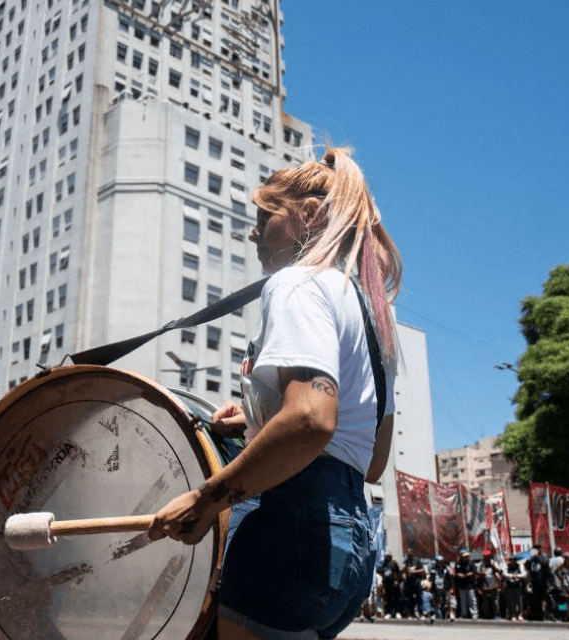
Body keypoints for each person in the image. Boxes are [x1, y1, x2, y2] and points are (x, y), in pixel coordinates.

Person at [148, 147, 402, 640]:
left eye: (264, 218)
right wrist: (256, 419)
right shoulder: (374, 320)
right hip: (348, 548)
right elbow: (370, 459)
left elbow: (310, 419)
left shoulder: (295, 284)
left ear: (307, 215)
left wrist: (205, 500)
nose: (251, 233)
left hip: (288, 524)